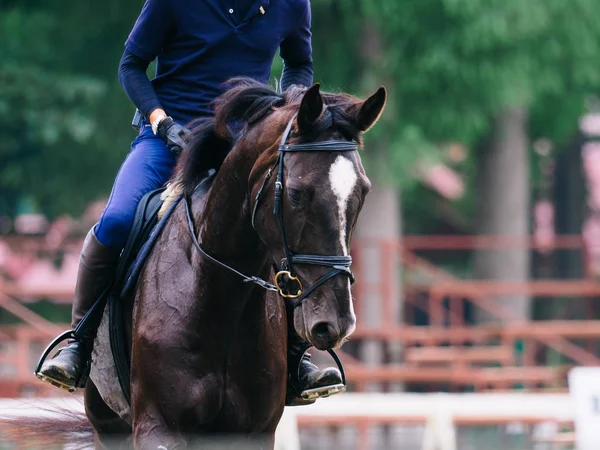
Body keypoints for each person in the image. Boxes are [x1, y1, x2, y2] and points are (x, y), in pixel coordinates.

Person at [37, 0, 343, 405]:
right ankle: (79, 342)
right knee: (115, 221)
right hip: (168, 138)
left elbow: (299, 64)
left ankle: (295, 355)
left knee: (280, 228)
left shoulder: (292, 4)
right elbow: (131, 65)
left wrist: (289, 103)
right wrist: (160, 121)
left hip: (245, 143)